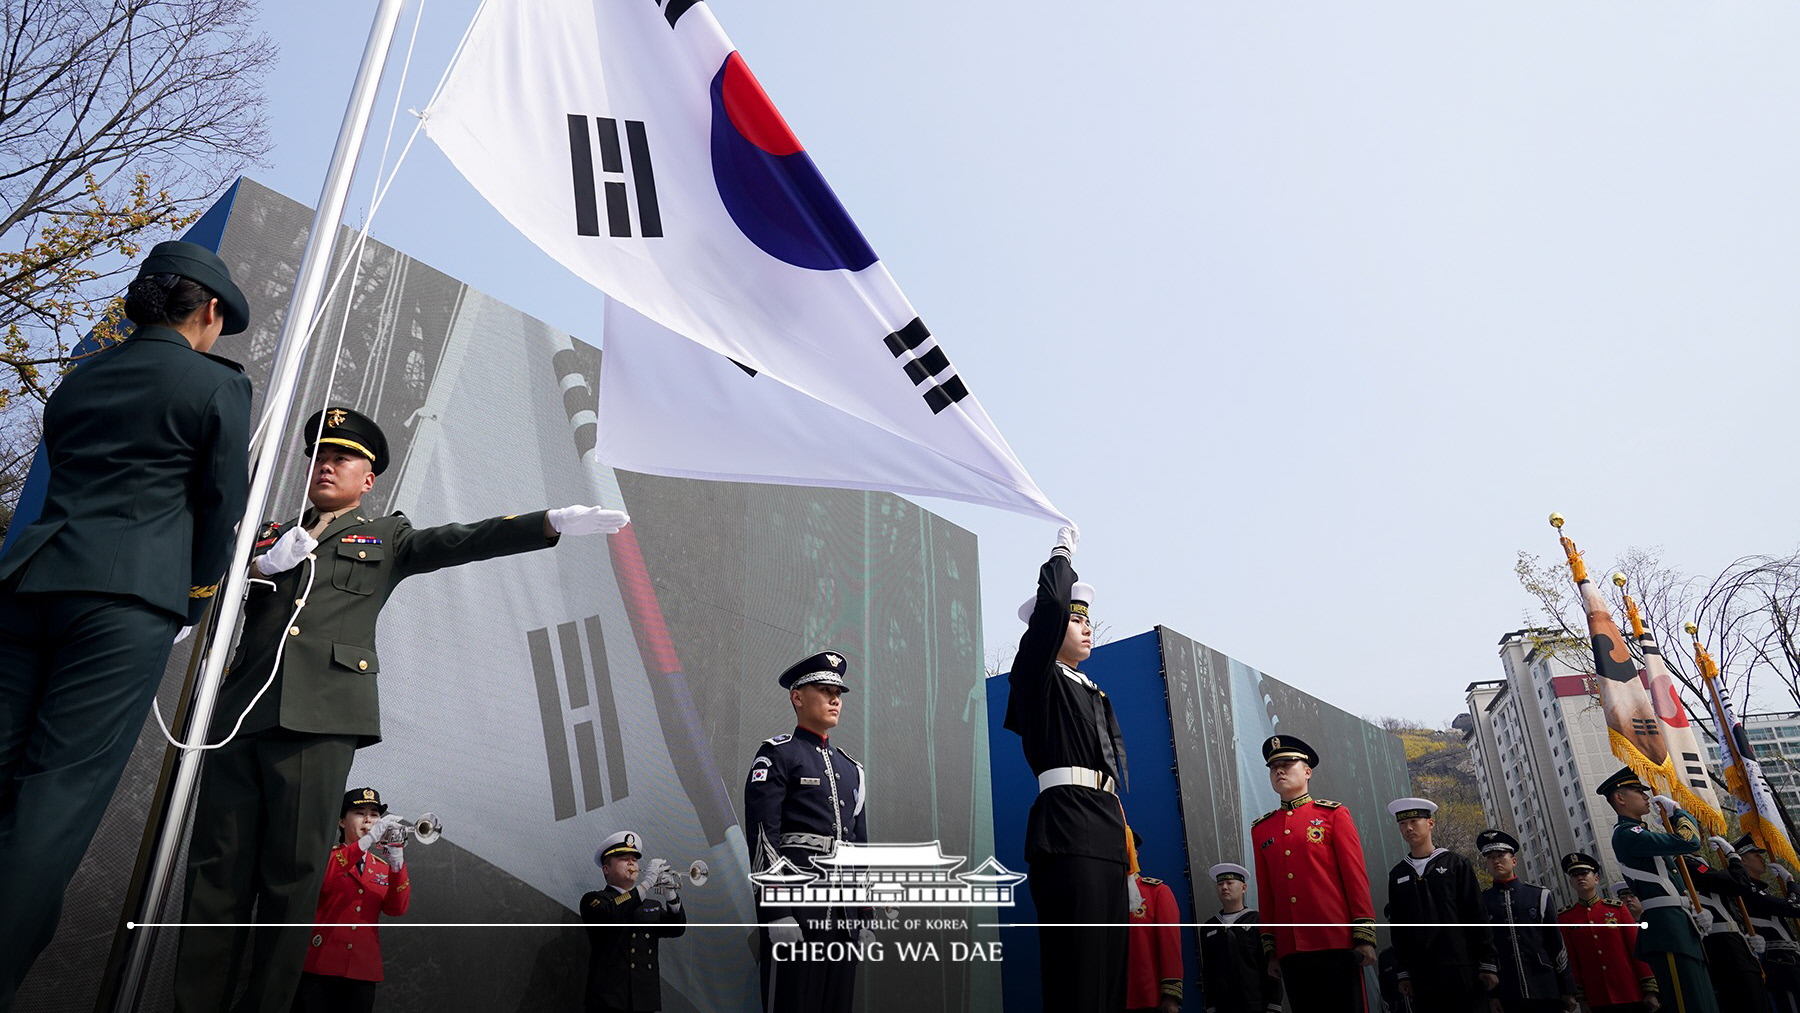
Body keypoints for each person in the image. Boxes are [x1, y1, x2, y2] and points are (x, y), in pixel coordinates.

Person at [174, 406, 631, 1013]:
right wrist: (256, 568)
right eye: (319, 456)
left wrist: (546, 522)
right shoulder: (266, 537)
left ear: (368, 480)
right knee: (215, 875)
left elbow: (465, 540)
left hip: (320, 718)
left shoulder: (385, 536)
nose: (327, 464)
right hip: (239, 716)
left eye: (343, 458)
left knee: (292, 879)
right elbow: (204, 602)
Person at [0, 240, 252, 1004]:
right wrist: (197, 597)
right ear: (208, 311)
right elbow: (221, 506)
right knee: (57, 796)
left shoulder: (81, 379)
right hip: (128, 600)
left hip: (29, 585)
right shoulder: (216, 384)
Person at [1002, 524, 1131, 1013]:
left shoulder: (1089, 687)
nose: (1086, 626)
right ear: (1050, 632)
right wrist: (1062, 552)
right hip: (1066, 826)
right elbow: (1054, 606)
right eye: (1076, 620)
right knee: (1076, 968)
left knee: (1111, 966)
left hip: (1104, 826)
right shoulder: (1036, 678)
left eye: (1088, 619)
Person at [744, 650, 869, 1013]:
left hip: (844, 916)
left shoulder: (852, 769)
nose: (835, 699)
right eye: (824, 689)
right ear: (797, 697)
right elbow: (764, 836)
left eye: (839, 692)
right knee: (791, 1003)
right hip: (797, 909)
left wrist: (865, 913)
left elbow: (859, 846)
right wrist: (776, 909)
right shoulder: (779, 754)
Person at [1249, 734, 1376, 1012]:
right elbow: (1267, 893)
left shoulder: (1333, 815)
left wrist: (1364, 934)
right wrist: (1271, 949)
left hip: (1335, 941)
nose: (1279, 770)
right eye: (1273, 767)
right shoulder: (1262, 829)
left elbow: (1355, 877)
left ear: (1307, 771)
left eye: (1287, 763)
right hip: (1291, 948)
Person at [1598, 767, 1718, 1013]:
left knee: (1704, 1002)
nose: (1645, 796)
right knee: (1687, 1003)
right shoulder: (1628, 834)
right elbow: (1689, 841)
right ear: (1619, 799)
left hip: (1679, 925)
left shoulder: (1641, 834)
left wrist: (1692, 912)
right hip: (1667, 930)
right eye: (1638, 791)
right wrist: (1678, 813)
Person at [292, 787, 411, 1013]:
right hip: (318, 968)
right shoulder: (324, 857)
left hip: (361, 972)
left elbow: (397, 909)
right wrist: (368, 841)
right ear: (342, 822)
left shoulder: (383, 867)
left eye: (374, 814)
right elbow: (325, 879)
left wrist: (397, 862)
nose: (368, 820)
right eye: (359, 812)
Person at [1383, 797, 1496, 1013]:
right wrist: (1403, 971)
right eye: (1402, 824)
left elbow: (1476, 914)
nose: (1408, 828)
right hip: (1422, 971)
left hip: (1462, 965)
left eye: (1414, 821)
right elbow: (1398, 927)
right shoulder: (1398, 874)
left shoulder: (1455, 864)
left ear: (1430, 823)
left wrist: (1487, 962)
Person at [581, 830, 688, 1013]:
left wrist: (671, 896)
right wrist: (646, 884)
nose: (632, 862)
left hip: (644, 1000)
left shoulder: (649, 904)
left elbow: (676, 928)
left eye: (635, 859)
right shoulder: (595, 900)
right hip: (610, 1000)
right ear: (606, 869)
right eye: (624, 858)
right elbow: (612, 913)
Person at [1477, 829, 1577, 1012]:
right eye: (1490, 857)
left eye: (1500, 855)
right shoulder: (1482, 902)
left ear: (1513, 861)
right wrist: (1491, 996)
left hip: (1545, 987)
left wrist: (1568, 988)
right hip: (1507, 990)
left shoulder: (1539, 895)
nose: (1496, 861)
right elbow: (1483, 950)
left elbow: (1556, 943)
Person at [1555, 851, 1659, 1013]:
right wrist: (1580, 997)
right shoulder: (1566, 917)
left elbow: (1636, 949)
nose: (1580, 877)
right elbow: (1572, 960)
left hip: (1629, 991)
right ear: (1571, 882)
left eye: (1584, 873)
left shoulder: (1617, 909)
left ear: (1596, 879)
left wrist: (1650, 989)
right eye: (1575, 875)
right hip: (1596, 995)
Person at [1728, 834, 1800, 1013]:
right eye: (1756, 855)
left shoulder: (1757, 889)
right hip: (1780, 965)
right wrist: (1791, 883)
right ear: (1742, 861)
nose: (1762, 859)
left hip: (1789, 961)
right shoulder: (1748, 890)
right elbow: (1795, 908)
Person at [1197, 862, 1281, 1013]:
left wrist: (1274, 1005)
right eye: (1220, 884)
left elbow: (1270, 964)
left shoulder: (1258, 921)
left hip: (1256, 1004)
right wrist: (1210, 1006)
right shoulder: (1208, 927)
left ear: (1243, 888)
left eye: (1229, 883)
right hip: (1223, 1006)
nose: (1224, 887)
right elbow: (1208, 972)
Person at [1126, 830, 1183, 1013]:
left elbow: (1170, 946)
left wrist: (1171, 995)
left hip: (1146, 998)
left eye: (1126, 848)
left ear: (1135, 853)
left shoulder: (1156, 892)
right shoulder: (1101, 896)